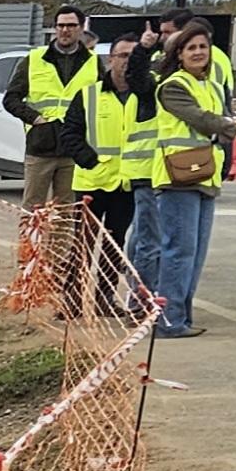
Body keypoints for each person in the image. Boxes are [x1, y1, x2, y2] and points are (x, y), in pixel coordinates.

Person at [130, 27, 236, 337]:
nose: (198, 52)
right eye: (191, 47)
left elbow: (216, 121)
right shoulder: (172, 86)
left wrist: (223, 126)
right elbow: (202, 119)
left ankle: (181, 318)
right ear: (179, 54)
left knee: (195, 253)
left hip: (205, 176)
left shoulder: (215, 88)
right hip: (177, 178)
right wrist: (227, 125)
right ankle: (168, 320)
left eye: (203, 46)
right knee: (178, 251)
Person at [71, 26, 157, 314]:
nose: (126, 62)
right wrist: (90, 160)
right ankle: (70, 300)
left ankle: (103, 299)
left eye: (132, 56)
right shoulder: (89, 95)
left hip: (126, 185)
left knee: (114, 245)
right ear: (110, 59)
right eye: (121, 55)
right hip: (91, 184)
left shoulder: (146, 95)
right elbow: (70, 134)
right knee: (80, 246)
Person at [12, 6, 101, 211]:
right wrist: (35, 119)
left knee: (66, 212)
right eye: (60, 25)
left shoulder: (93, 63)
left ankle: (58, 245)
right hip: (41, 146)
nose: (65, 30)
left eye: (71, 25)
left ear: (81, 29)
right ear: (54, 29)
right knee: (33, 209)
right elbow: (11, 99)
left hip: (74, 147)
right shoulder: (34, 59)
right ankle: (30, 245)